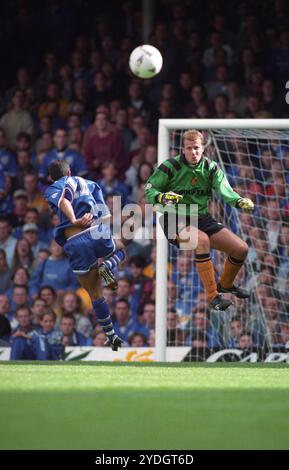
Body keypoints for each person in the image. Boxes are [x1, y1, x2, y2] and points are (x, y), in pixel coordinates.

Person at [145, 129, 254, 311]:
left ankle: (226, 284)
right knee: (201, 240)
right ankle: (213, 297)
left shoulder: (210, 168)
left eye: (196, 148)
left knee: (241, 249)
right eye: (189, 148)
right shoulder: (171, 167)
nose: (193, 152)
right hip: (174, 218)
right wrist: (162, 197)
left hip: (201, 217)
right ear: (183, 150)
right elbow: (149, 190)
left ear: (203, 148)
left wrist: (239, 201)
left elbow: (225, 189)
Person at [44, 159, 126, 350]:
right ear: (70, 171)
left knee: (94, 292)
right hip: (97, 231)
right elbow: (104, 214)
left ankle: (112, 336)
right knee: (121, 247)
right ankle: (108, 265)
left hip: (75, 241)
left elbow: (63, 200)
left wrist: (74, 219)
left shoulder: (54, 187)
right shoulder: (91, 184)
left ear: (51, 177)